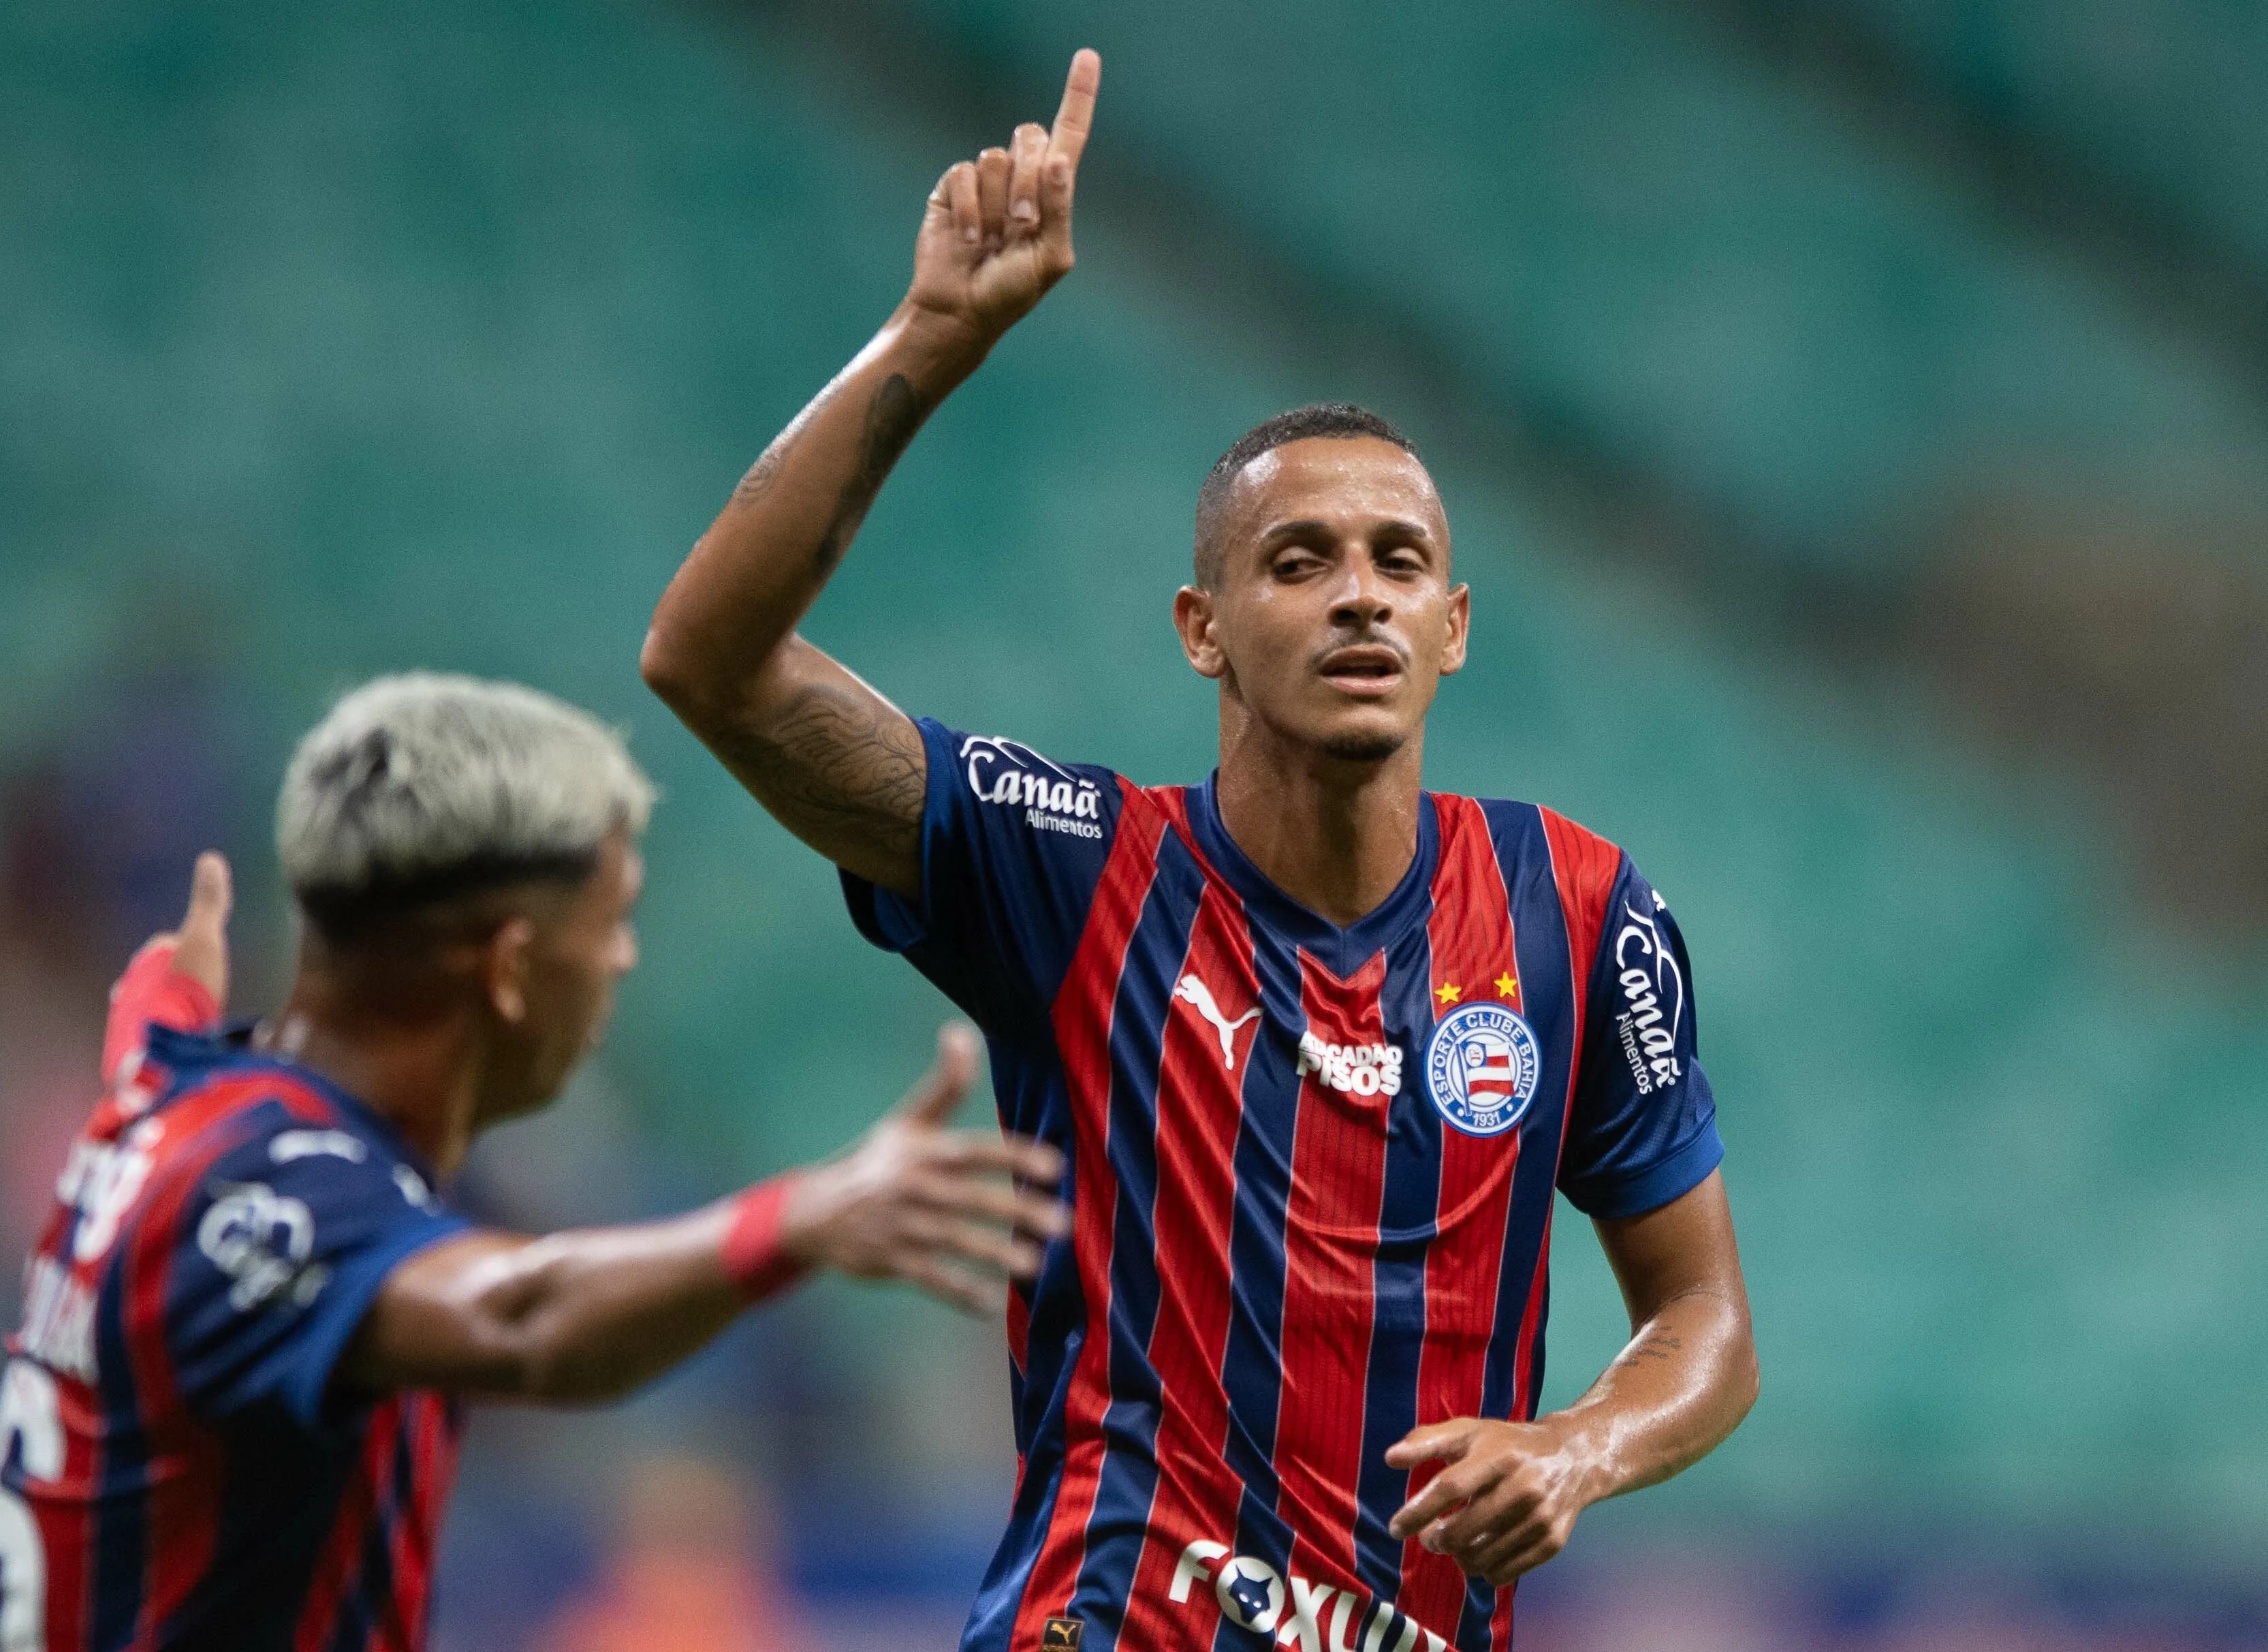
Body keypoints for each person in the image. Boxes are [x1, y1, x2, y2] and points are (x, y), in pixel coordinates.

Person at [640, 48, 1759, 1652]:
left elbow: (1705, 1317)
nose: (1357, 593)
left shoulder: (1578, 912)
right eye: (1297, 561)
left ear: (1452, 630)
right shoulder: (1078, 869)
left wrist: (1581, 1449)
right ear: (1202, 631)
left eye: (1398, 562)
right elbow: (710, 662)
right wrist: (933, 340)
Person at [0, 672, 1068, 1650]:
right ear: (508, 967)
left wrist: (164, 997)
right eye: (614, 921)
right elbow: (517, 1317)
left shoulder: (167, 1088)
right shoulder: (269, 1201)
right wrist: (801, 1219)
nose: (624, 961)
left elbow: (153, 1025)